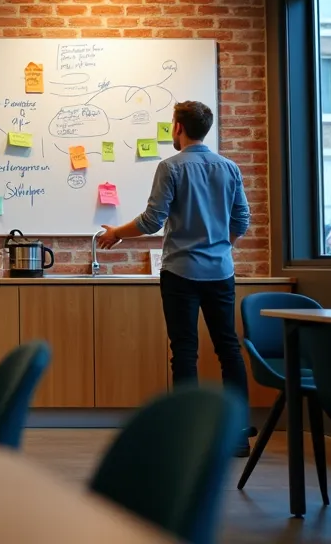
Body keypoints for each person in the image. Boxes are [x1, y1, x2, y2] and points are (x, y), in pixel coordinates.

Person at [97, 100, 252, 456]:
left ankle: (186, 435)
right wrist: (219, 247)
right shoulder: (229, 168)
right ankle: (239, 434)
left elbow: (153, 221)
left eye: (171, 124)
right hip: (220, 273)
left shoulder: (170, 167)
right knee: (228, 347)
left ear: (178, 128)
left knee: (184, 350)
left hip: (181, 272)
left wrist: (118, 231)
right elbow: (241, 221)